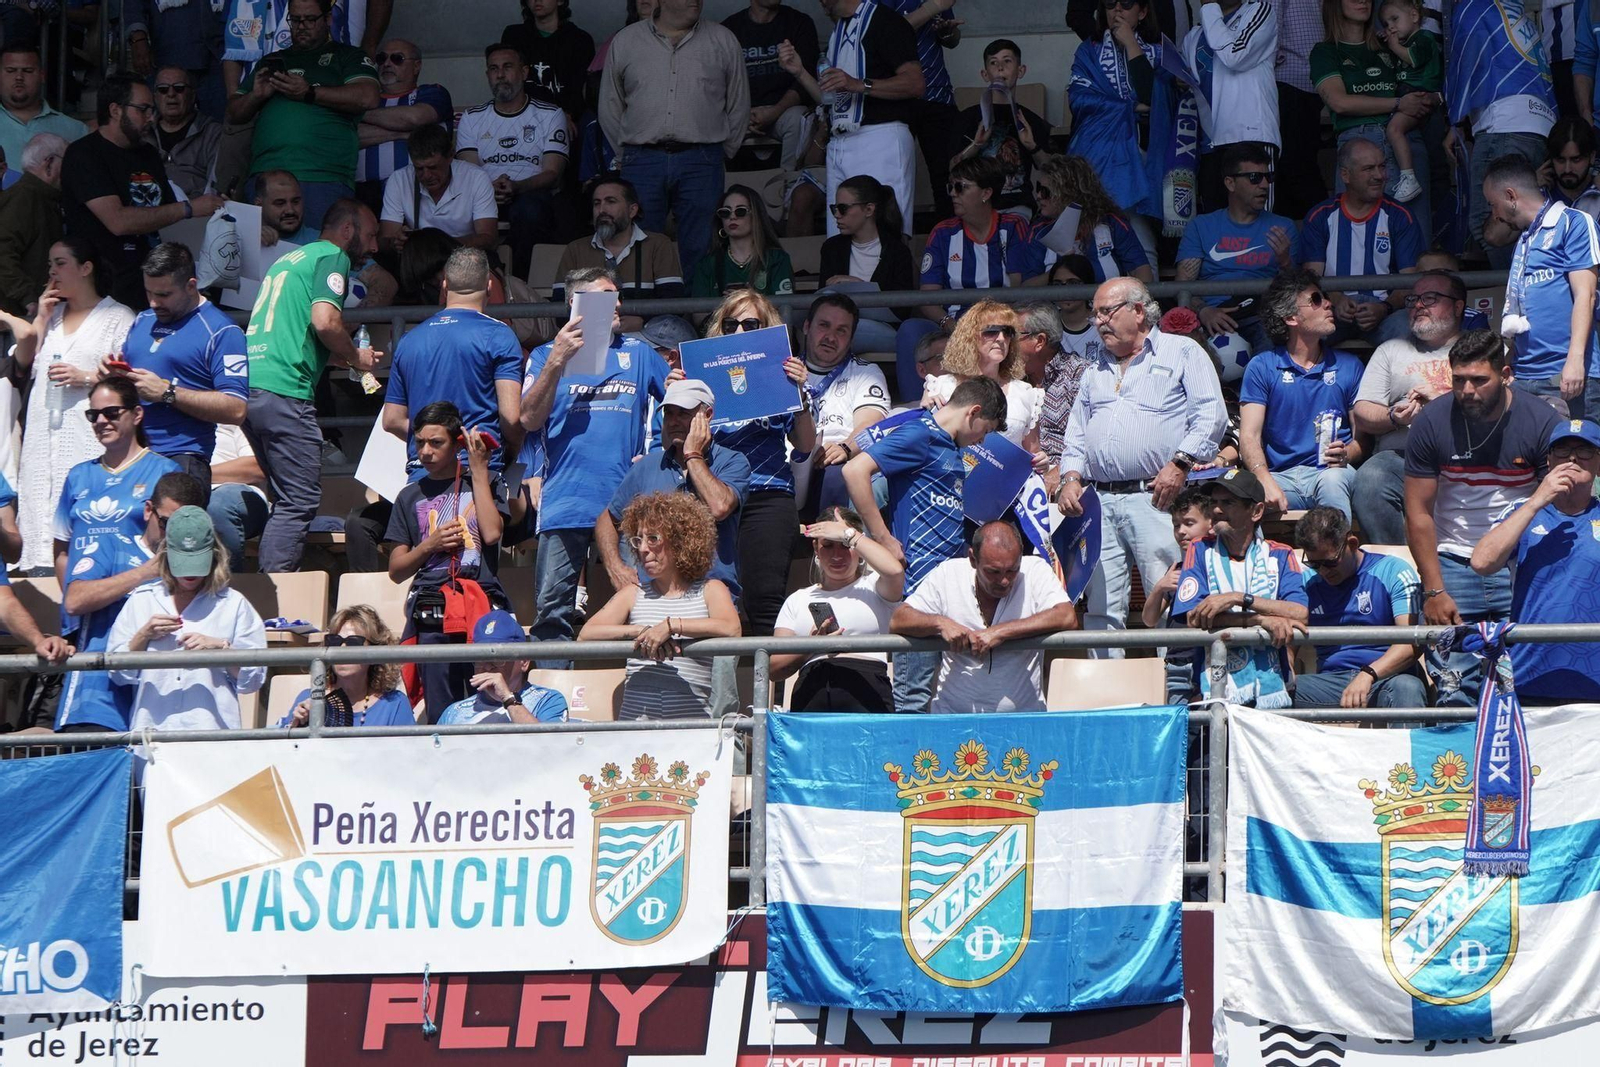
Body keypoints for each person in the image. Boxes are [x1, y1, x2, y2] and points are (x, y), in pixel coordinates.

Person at [1057, 276, 1228, 655]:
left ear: (1138, 310)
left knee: (1170, 597)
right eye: (1095, 312)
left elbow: (1211, 416)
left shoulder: (1181, 351)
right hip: (1098, 501)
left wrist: (1180, 463)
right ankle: (1108, 701)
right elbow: (1076, 434)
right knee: (1101, 610)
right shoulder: (1094, 367)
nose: (1098, 320)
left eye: (1106, 311)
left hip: (1158, 497)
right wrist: (1070, 477)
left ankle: (1177, 694)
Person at [1405, 330, 1562, 706]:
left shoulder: (1540, 420)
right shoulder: (1431, 422)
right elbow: (1417, 512)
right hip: (1453, 562)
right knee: (1455, 693)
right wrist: (1434, 589)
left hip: (1519, 562)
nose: (1467, 389)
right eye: (1458, 380)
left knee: (1528, 686)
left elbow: (1555, 506)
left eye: (1479, 379)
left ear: (1506, 374)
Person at [521, 267, 668, 662]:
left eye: (618, 295)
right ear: (577, 304)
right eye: (607, 296)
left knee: (645, 605)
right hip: (565, 500)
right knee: (552, 615)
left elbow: (677, 403)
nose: (618, 303)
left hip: (628, 505)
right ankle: (555, 701)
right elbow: (528, 419)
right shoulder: (543, 355)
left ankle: (639, 698)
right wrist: (557, 360)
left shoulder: (639, 353)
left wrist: (653, 455)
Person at [844, 375, 1006, 713]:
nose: (981, 439)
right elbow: (855, 471)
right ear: (973, 412)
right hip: (919, 588)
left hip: (948, 587)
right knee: (912, 699)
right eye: (985, 429)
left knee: (945, 698)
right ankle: (905, 765)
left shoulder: (948, 445)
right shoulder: (920, 433)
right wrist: (883, 538)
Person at [242, 198, 381, 573]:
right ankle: (278, 607)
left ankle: (269, 591)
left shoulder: (290, 260)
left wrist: (332, 356)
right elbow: (325, 322)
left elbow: (297, 329)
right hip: (285, 391)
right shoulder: (332, 257)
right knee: (298, 501)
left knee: (283, 499)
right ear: (347, 231)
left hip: (253, 386)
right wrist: (356, 357)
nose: (374, 247)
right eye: (370, 236)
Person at [3, 239, 138, 574]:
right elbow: (22, 364)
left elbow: (129, 380)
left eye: (60, 263)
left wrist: (87, 377)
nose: (52, 272)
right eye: (49, 265)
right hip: (41, 441)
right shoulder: (50, 317)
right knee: (41, 535)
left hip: (86, 435)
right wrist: (43, 317)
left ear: (86, 267)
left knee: (85, 528)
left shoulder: (117, 317)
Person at [52, 416, 192, 736]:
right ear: (148, 511)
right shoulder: (109, 546)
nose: (172, 531)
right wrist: (144, 573)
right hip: (99, 701)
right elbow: (74, 600)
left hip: (163, 708)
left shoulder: (196, 566)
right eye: (166, 520)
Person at [692, 292, 813, 636]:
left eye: (750, 324)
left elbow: (805, 445)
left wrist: (799, 394)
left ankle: (764, 689)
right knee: (710, 602)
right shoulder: (702, 374)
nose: (739, 331)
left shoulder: (782, 373)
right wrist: (680, 396)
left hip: (767, 492)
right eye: (730, 324)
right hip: (713, 493)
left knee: (764, 602)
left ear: (766, 329)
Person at [600, 0, 750, 279]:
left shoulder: (723, 40)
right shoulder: (627, 40)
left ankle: (699, 319)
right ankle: (641, 319)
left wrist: (723, 152)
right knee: (639, 245)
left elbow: (739, 104)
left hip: (702, 158)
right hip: (642, 158)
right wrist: (626, 154)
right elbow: (609, 104)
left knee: (703, 245)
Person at [384, 403, 509, 720]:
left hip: (480, 596)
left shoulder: (486, 481)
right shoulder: (409, 496)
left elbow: (492, 534)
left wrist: (479, 473)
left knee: (486, 689)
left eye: (436, 442)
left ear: (458, 444)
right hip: (432, 601)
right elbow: (396, 570)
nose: (425, 451)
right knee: (440, 695)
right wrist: (430, 545)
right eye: (420, 443)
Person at [62, 75, 223, 309]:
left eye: (152, 109)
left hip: (152, 281)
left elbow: (167, 214)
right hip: (105, 287)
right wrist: (189, 208)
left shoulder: (148, 154)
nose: (151, 117)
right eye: (143, 109)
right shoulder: (84, 154)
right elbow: (117, 221)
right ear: (115, 110)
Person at [580, 491, 743, 719]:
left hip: (689, 735)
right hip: (637, 736)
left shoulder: (711, 589)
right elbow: (586, 634)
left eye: (653, 539)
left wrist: (671, 626)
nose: (643, 548)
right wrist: (641, 631)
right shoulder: (633, 593)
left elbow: (732, 628)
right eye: (638, 540)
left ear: (679, 541)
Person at [1471, 418, 1600, 702]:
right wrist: (1536, 501)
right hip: (1531, 675)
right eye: (1563, 450)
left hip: (1594, 679)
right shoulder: (1522, 511)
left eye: (1585, 450)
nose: (1573, 458)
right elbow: (1481, 562)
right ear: (1549, 461)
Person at [225, 0, 381, 231]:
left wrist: (309, 92)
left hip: (321, 175)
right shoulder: (271, 61)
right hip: (266, 178)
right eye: (296, 20)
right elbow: (233, 114)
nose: (301, 26)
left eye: (310, 19)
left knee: (320, 258)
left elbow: (368, 97)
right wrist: (256, 95)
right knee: (263, 261)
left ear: (328, 19)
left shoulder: (348, 56)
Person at [107, 505, 266, 731]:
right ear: (166, 555)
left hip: (212, 737)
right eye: (182, 561)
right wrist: (143, 636)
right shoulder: (141, 600)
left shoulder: (234, 603)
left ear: (214, 556)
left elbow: (253, 680)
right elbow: (118, 674)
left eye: (197, 561)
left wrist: (221, 649)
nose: (190, 573)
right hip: (152, 738)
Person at [892, 521, 1077, 714]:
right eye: (993, 572)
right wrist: (941, 623)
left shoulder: (1035, 570)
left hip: (1022, 723)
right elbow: (899, 619)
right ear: (973, 559)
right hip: (954, 722)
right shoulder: (948, 573)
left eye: (1012, 570)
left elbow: (1066, 616)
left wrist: (1000, 633)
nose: (1004, 581)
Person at [775, 0, 924, 239]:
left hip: (881, 139)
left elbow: (915, 83)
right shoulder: (838, 32)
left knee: (885, 236)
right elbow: (830, 99)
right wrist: (800, 72)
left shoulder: (886, 21)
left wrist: (858, 84)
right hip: (840, 141)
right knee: (841, 238)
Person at [598, 378, 752, 605]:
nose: (673, 421)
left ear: (707, 415)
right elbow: (607, 519)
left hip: (711, 597)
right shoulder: (646, 466)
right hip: (652, 599)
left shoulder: (733, 461)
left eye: (683, 413)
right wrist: (615, 567)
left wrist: (693, 455)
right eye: (669, 413)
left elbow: (719, 507)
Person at [110, 243, 249, 492]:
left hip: (181, 460)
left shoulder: (222, 331)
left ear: (191, 286)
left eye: (163, 295)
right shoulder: (142, 320)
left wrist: (167, 392)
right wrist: (111, 377)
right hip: (131, 456)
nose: (153, 302)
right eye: (148, 292)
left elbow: (236, 408)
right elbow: (130, 387)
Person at [1168, 468, 1310, 707]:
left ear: (1256, 511)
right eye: (1214, 502)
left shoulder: (1280, 553)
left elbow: (1300, 612)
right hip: (1216, 692)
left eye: (1228, 502)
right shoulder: (1199, 549)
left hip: (1274, 690)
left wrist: (1237, 598)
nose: (1216, 509)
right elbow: (1194, 617)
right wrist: (1259, 620)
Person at [897, 156, 1032, 399]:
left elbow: (1019, 287)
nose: (953, 194)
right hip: (952, 324)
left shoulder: (1013, 227)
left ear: (986, 192)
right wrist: (951, 325)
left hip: (1001, 324)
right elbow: (928, 295)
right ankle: (914, 409)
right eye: (951, 187)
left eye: (961, 187)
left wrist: (989, 326)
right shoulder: (943, 232)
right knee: (910, 330)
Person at [382, 247, 523, 475]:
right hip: (478, 475)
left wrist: (436, 443)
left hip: (422, 476)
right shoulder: (500, 335)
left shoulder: (409, 340)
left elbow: (391, 420)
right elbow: (510, 418)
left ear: (445, 286)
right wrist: (514, 450)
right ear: (488, 286)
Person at [1239, 269, 1366, 518]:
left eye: (1325, 297)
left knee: (1332, 481)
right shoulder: (1262, 366)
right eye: (1316, 300)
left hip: (1330, 473)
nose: (1328, 303)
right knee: (1243, 494)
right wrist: (1263, 479)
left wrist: (1347, 454)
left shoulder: (1350, 365)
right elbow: (1249, 435)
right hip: (1278, 476)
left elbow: (1363, 440)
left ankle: (1335, 556)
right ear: (1291, 318)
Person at [1351, 269, 1465, 543]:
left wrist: (1442, 400)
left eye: (1430, 298)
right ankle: (1398, 566)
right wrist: (1394, 417)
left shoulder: (1481, 347)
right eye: (1413, 299)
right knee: (1370, 479)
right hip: (1402, 455)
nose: (1418, 306)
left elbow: (1504, 403)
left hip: (1465, 454)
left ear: (1458, 306)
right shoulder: (1391, 350)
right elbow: (1363, 410)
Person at [1065, 0, 1181, 269]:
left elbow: (1154, 97)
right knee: (1088, 233)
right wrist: (1129, 107)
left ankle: (1146, 299)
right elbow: (1079, 99)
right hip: (1097, 154)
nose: (1117, 10)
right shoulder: (1088, 51)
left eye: (1126, 4)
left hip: (1142, 155)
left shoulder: (1160, 51)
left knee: (1139, 236)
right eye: (1108, 4)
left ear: (1142, 12)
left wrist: (1131, 45)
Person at [1487, 153, 1600, 420]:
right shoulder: (1525, 239)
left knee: (1578, 458)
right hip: (1524, 376)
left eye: (1493, 204)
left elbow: (1586, 296)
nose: (1494, 214)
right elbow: (1522, 304)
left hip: (1567, 374)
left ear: (1511, 196)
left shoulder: (1573, 222)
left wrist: (1574, 362)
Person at [1312, 0, 1436, 239]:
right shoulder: (1325, 51)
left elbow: (1426, 76)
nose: (1363, 1)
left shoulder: (1390, 42)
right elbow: (1339, 102)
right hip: (1358, 144)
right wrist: (1399, 103)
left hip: (1406, 142)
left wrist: (1430, 98)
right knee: (1360, 241)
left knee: (1415, 239)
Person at [1447, 0, 1556, 269]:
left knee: (1488, 223)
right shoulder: (1514, 8)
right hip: (1541, 124)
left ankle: (1517, 292)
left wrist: (1454, 120)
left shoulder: (1474, 6)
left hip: (1504, 125)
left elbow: (1465, 62)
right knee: (1523, 217)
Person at [1292, 506, 1427, 709]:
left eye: (1330, 562)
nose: (1322, 571)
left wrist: (1368, 674)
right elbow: (1288, 640)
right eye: (1314, 564)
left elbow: (1412, 643)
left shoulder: (1393, 571)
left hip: (1388, 678)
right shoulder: (1306, 583)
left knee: (1408, 688)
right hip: (1330, 683)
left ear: (1352, 543)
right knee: (1267, 692)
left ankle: (1408, 742)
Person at [772, 506, 904, 711]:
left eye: (845, 545)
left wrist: (849, 534)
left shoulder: (875, 586)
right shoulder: (797, 599)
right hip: (812, 689)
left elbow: (896, 571)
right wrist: (811, 645)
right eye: (828, 545)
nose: (837, 555)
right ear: (816, 548)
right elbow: (774, 667)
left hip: (867, 689)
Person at [455, 45, 570, 279]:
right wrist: (488, 189)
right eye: (493, 69)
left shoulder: (550, 114)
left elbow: (553, 173)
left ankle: (517, 283)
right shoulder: (472, 117)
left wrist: (517, 187)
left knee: (529, 210)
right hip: (483, 195)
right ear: (487, 74)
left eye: (507, 67)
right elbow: (468, 169)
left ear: (525, 72)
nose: (500, 74)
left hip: (531, 192)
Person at [1299, 138, 1421, 348]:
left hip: (1385, 312)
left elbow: (1410, 282)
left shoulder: (1400, 216)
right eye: (1368, 169)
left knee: (1409, 329)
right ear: (1345, 175)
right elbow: (1311, 278)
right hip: (1330, 308)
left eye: (1382, 166)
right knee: (1300, 327)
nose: (1379, 176)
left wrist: (1384, 308)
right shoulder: (1320, 216)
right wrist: (1337, 300)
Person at [1176, 142, 1296, 354]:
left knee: (1274, 334)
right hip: (1211, 314)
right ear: (1230, 183)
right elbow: (1183, 285)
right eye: (1254, 178)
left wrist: (1285, 261)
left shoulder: (1284, 227)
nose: (1264, 185)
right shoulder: (1201, 226)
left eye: (1268, 177)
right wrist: (1204, 311)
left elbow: (1298, 290)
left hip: (1261, 314)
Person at [1183, 0, 1280, 215]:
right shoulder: (1194, 35)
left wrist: (1208, 7)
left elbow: (1235, 55)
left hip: (1252, 135)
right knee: (1215, 225)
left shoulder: (1259, 10)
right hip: (1212, 141)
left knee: (1257, 223)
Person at [552, 175, 684, 331]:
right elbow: (560, 309)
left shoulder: (658, 244)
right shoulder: (575, 249)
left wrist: (644, 322)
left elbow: (675, 304)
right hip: (589, 336)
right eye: (597, 203)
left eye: (611, 202)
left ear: (632, 210)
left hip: (647, 335)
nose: (602, 210)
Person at [800, 293, 890, 513]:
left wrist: (845, 448)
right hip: (791, 457)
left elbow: (871, 422)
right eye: (824, 325)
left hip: (834, 459)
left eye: (841, 330)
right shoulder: (785, 369)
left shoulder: (865, 372)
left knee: (837, 474)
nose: (831, 337)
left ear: (851, 338)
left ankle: (830, 545)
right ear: (806, 327)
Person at [921, 299, 1041, 454]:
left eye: (1008, 332)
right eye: (991, 331)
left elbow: (1032, 451)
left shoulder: (1025, 393)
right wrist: (925, 411)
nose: (1001, 338)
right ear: (970, 337)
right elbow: (924, 443)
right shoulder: (940, 387)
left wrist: (1041, 461)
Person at [951, 40, 1050, 217]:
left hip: (1017, 206)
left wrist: (1032, 146)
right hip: (977, 206)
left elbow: (1049, 168)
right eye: (993, 62)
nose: (1000, 68)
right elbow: (953, 168)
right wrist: (976, 145)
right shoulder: (968, 118)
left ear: (1021, 71)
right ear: (984, 74)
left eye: (1007, 61)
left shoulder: (1030, 120)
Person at [817, 173, 914, 353]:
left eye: (843, 208)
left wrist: (859, 287)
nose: (837, 215)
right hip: (841, 325)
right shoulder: (832, 248)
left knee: (843, 331)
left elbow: (902, 310)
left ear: (869, 210)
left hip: (883, 329)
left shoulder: (897, 251)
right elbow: (824, 297)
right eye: (834, 208)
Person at [354, 39, 453, 213]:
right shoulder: (366, 99)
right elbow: (352, 136)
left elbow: (415, 118)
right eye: (381, 58)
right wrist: (400, 134)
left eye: (397, 58)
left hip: (419, 189)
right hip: (364, 194)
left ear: (417, 66)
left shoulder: (431, 92)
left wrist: (358, 114)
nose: (387, 64)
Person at [276, 604, 414, 727]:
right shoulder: (310, 699)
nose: (342, 648)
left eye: (353, 642)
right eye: (335, 641)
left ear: (375, 652)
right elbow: (284, 751)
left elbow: (409, 753)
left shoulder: (394, 704)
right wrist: (295, 726)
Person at [723, 0, 819, 174]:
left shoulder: (799, 22)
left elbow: (806, 82)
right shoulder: (729, 28)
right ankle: (727, 195)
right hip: (740, 115)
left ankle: (788, 186)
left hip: (782, 113)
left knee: (799, 118)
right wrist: (743, 113)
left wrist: (774, 112)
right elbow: (719, 83)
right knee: (710, 121)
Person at [434, 609, 570, 725]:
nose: (487, 666)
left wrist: (507, 698)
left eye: (498, 658)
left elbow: (549, 747)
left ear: (524, 661)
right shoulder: (454, 712)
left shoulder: (548, 700)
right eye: (480, 658)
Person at [379, 124, 498, 254]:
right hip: (420, 260)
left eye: (433, 167)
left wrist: (436, 246)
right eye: (419, 168)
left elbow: (488, 238)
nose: (426, 176)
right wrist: (395, 242)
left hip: (465, 257)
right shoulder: (398, 179)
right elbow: (385, 238)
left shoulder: (476, 178)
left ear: (450, 156)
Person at [1376, 0, 1442, 205]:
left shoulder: (1423, 38)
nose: (1391, 27)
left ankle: (1408, 177)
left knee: (1394, 130)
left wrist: (1393, 44)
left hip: (1420, 94)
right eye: (1386, 24)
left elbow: (1413, 59)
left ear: (1414, 16)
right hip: (1408, 94)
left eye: (1395, 19)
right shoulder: (1403, 43)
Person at [123, 0, 227, 119]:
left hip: (218, 57)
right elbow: (133, 6)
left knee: (219, 125)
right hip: (169, 55)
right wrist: (138, 40)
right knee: (162, 124)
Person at [0, 131, 65, 316]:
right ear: (50, 163)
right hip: (17, 316)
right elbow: (2, 250)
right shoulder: (24, 197)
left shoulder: (43, 197)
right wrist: (26, 296)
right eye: (67, 162)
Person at [689, 185, 794, 299]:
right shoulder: (706, 264)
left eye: (740, 211)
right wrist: (727, 307)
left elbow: (785, 310)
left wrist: (750, 302)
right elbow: (699, 315)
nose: (732, 217)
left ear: (756, 216)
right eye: (725, 212)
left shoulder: (777, 259)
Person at [1274, 2, 1328, 222]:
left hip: (1288, 79)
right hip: (1312, 79)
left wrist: (1266, 59)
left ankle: (1325, 228)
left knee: (1294, 167)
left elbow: (1269, 29)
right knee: (1300, 165)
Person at [500, 0, 595, 121]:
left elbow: (579, 88)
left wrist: (566, 114)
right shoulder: (514, 36)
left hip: (568, 120)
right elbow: (509, 82)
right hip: (522, 118)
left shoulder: (580, 40)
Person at [0, 45, 86, 171]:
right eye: (11, 70)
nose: (19, 77)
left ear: (42, 75)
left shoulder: (76, 130)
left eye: (28, 71)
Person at [143, 66, 222, 201]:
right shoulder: (143, 130)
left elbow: (215, 185)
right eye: (163, 89)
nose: (171, 94)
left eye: (179, 88)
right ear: (155, 97)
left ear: (192, 95)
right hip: (149, 210)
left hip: (194, 211)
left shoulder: (213, 132)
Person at [206, 424, 270, 571]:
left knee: (217, 507)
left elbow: (256, 467)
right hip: (179, 489)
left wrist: (198, 473)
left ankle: (228, 588)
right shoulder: (165, 421)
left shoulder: (233, 416)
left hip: (236, 493)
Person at [1542, 116, 1600, 222]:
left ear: (1591, 157)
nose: (1567, 169)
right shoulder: (1540, 193)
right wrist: (1530, 188)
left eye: (1576, 159)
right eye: (1561, 160)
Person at [256, 169, 312, 247]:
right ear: (259, 205)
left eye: (295, 202)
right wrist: (251, 239)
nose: (290, 210)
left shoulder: (321, 241)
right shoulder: (244, 241)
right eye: (280, 203)